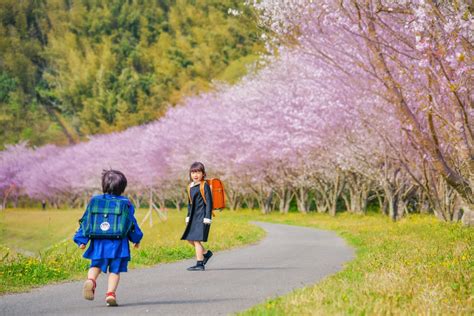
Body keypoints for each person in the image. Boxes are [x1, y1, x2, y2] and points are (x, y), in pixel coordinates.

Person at [73, 170, 143, 306]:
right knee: (115, 270)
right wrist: (136, 238)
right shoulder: (125, 203)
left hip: (98, 243)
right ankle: (110, 294)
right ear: (122, 187)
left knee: (96, 265)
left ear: (104, 185)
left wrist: (81, 240)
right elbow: (131, 223)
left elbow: (86, 220)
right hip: (119, 244)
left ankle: (91, 280)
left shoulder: (95, 201)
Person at [181, 162, 213, 271]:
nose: (195, 175)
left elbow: (209, 202)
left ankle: (200, 264)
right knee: (189, 239)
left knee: (196, 240)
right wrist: (188, 217)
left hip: (202, 217)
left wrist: (207, 217)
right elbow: (189, 204)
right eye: (193, 172)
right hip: (193, 217)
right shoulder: (190, 187)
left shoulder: (204, 185)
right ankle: (206, 253)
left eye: (198, 172)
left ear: (203, 174)